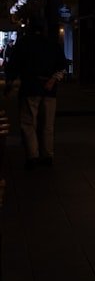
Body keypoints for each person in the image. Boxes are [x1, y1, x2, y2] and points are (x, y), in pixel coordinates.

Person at [3, 17, 68, 170]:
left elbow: (13, 66)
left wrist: (10, 83)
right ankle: (47, 155)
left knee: (28, 123)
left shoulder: (23, 43)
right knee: (47, 125)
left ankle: (32, 155)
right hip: (49, 90)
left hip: (30, 87)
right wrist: (52, 80)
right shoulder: (53, 44)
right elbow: (62, 66)